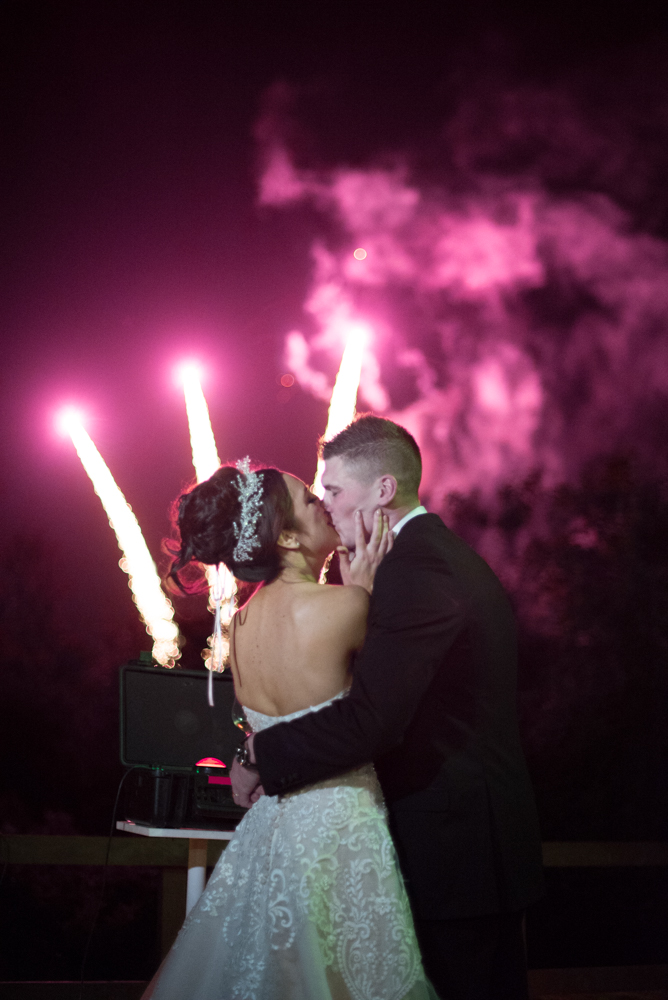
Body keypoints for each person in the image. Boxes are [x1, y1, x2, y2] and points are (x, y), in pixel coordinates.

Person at [231, 416, 545, 1000]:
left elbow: (373, 718)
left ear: (382, 491)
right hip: (459, 849)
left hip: (456, 857)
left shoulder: (419, 571)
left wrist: (259, 753)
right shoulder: (425, 561)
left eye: (333, 491)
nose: (324, 507)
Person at [142, 460, 438, 1000]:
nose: (323, 505)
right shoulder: (348, 606)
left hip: (269, 829)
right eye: (309, 502)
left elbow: (265, 721)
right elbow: (378, 714)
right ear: (285, 536)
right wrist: (367, 593)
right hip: (339, 827)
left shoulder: (239, 625)